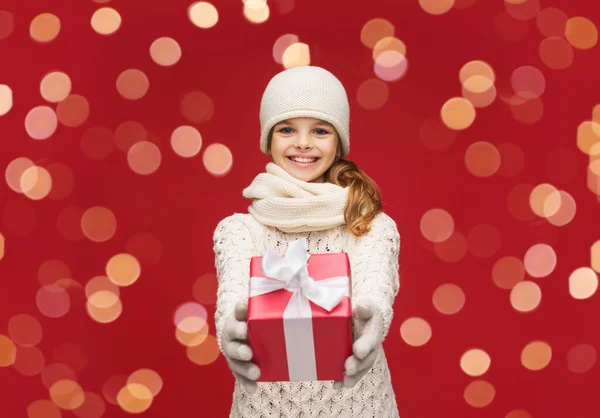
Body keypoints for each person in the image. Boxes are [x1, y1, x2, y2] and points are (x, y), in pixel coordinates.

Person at [213, 65, 401, 417]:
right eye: (287, 129)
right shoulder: (238, 231)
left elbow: (375, 289)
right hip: (265, 410)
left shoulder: (371, 225)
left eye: (319, 130)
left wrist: (372, 319)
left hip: (360, 408)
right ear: (269, 139)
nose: (302, 142)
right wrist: (230, 332)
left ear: (338, 142)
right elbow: (232, 297)